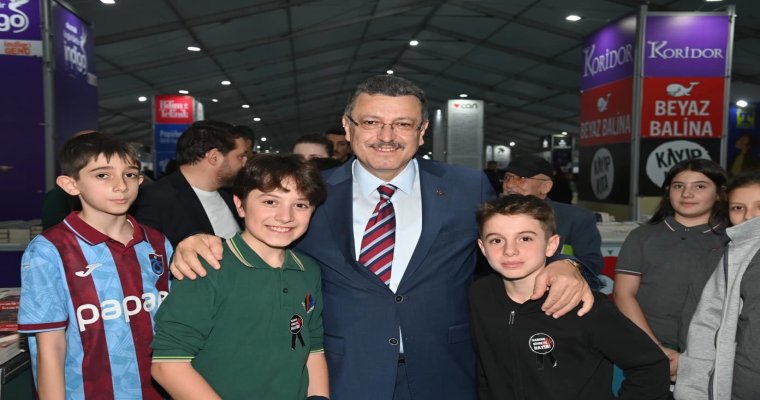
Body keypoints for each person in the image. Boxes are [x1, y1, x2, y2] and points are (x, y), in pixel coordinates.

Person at [169, 75, 593, 400]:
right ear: (348, 127)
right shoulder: (310, 192)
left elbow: (515, 244)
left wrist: (564, 264)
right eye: (371, 122)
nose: (386, 136)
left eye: (402, 124)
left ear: (422, 132)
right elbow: (266, 235)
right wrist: (197, 241)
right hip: (343, 374)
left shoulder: (467, 187)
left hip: (445, 372)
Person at [151, 154, 329, 400]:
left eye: (300, 205)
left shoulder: (308, 270)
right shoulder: (208, 265)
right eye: (270, 202)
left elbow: (313, 347)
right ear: (240, 205)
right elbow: (168, 364)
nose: (285, 216)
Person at [17, 132, 172, 399]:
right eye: (102, 175)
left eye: (130, 174)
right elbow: (50, 346)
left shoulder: (156, 242)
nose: (120, 186)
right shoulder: (50, 250)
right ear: (70, 185)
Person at [470, 194, 669, 400]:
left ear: (551, 245)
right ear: (483, 248)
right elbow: (487, 370)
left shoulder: (585, 306)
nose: (510, 250)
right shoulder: (481, 296)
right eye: (496, 240)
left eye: (525, 238)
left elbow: (651, 366)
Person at [614, 159, 728, 386]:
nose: (687, 193)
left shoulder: (730, 240)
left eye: (700, 186)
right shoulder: (642, 237)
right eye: (678, 186)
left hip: (710, 354)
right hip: (643, 345)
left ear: (718, 194)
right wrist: (657, 349)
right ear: (668, 191)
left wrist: (694, 357)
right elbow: (623, 294)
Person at [675, 170, 760, 399]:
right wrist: (692, 391)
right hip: (740, 386)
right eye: (738, 208)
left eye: (759, 206)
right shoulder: (733, 256)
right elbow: (707, 325)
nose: (749, 216)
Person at [132, 120, 251, 246]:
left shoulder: (228, 195)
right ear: (214, 157)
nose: (244, 163)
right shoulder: (153, 201)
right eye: (240, 157)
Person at [503, 154, 604, 287]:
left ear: (545, 187)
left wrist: (568, 265)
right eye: (507, 178)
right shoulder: (492, 218)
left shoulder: (576, 218)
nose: (509, 185)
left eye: (521, 179)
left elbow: (591, 263)